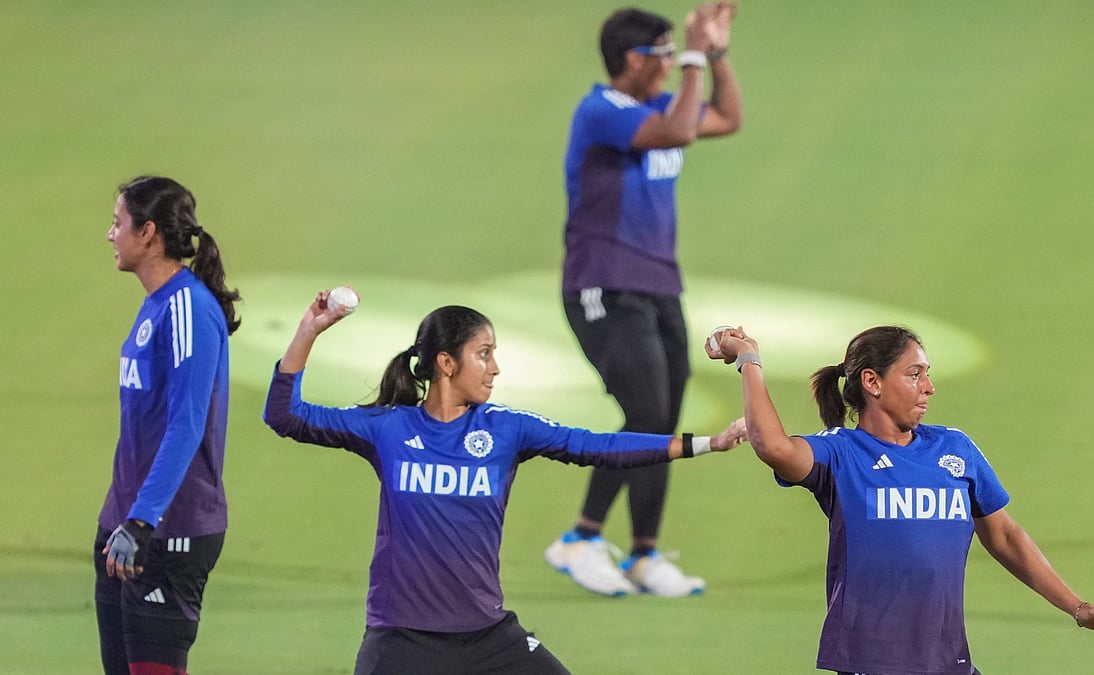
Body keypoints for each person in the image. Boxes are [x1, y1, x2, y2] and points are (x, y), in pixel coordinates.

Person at [262, 293, 745, 675]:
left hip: (487, 639)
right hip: (401, 641)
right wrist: (310, 330)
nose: (495, 368)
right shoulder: (387, 427)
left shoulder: (506, 429)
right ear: (447, 363)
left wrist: (704, 444)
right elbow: (285, 415)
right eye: (484, 354)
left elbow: (596, 446)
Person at [704, 324, 1094, 674]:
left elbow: (1005, 536)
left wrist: (1077, 607)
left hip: (947, 659)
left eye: (927, 374)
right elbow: (773, 446)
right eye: (914, 374)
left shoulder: (955, 449)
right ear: (872, 382)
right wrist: (749, 359)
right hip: (873, 663)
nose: (929, 387)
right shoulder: (841, 453)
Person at [547, 1, 743, 598]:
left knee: (662, 421)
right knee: (646, 414)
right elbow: (680, 131)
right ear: (633, 60)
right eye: (663, 54)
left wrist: (715, 54)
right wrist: (693, 57)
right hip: (603, 285)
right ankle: (580, 538)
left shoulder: (660, 106)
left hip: (660, 286)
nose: (671, 63)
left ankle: (643, 553)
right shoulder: (601, 111)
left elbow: (727, 118)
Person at [96, 176, 241, 675]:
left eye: (118, 223)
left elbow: (186, 424)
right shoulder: (156, 302)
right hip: (125, 526)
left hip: (165, 531)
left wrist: (142, 520)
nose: (110, 234)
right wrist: (123, 518)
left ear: (148, 232)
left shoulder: (188, 309)